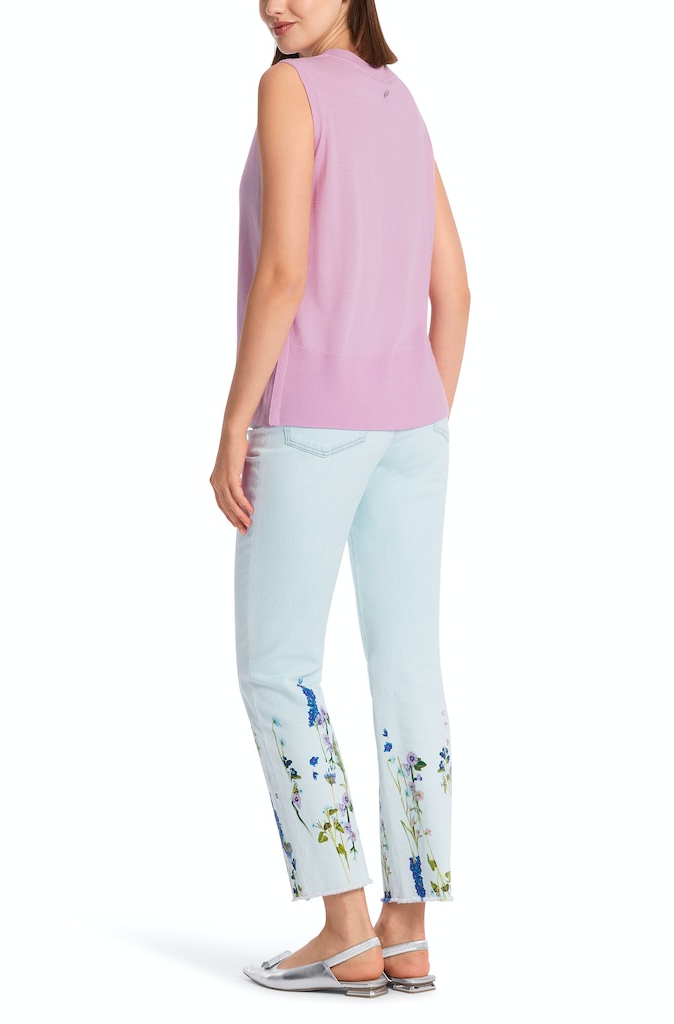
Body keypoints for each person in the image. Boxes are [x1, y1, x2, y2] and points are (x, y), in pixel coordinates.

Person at [210, 0, 470, 997]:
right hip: (414, 427)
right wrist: (415, 411)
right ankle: (409, 931)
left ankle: (346, 926)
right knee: (409, 671)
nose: (273, 4)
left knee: (278, 668)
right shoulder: (401, 100)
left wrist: (236, 421)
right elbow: (457, 293)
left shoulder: (289, 88)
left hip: (310, 424)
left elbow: (283, 273)